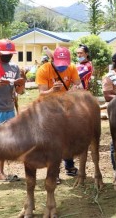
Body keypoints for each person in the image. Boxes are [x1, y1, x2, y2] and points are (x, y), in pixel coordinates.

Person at [35, 47, 82, 180]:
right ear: (53, 60)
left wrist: (75, 88)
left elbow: (78, 83)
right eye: (59, 65)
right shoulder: (43, 70)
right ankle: (53, 172)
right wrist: (52, 90)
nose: (62, 67)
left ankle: (69, 166)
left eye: (64, 65)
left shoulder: (72, 68)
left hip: (66, 107)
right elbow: (41, 93)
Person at [0, 39, 25, 182]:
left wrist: (21, 84)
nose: (7, 56)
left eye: (10, 54)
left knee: (4, 141)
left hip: (8, 108)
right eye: (4, 53)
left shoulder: (15, 68)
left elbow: (19, 92)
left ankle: (0, 171)